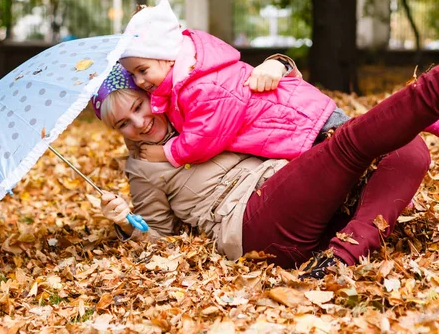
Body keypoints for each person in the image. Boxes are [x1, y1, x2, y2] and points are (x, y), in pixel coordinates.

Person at [90, 63, 436, 278]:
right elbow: (161, 240)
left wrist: (278, 63)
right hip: (251, 224)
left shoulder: (200, 104)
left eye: (138, 106)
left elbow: (269, 100)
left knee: (408, 148)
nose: (139, 123)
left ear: (153, 92)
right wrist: (124, 222)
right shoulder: (143, 167)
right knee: (348, 144)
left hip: (298, 191)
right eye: (123, 123)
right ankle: (432, 90)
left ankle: (343, 254)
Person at [118, 0, 439, 167]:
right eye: (133, 74)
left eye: (142, 70)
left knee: (371, 135)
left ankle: (425, 112)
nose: (138, 80)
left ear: (169, 58)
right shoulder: (183, 85)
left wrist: (167, 153)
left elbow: (203, 138)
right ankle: (424, 117)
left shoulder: (203, 86)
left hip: (303, 124)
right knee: (370, 133)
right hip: (295, 124)